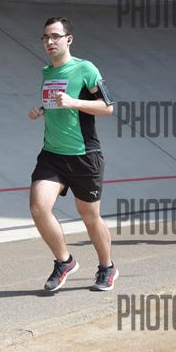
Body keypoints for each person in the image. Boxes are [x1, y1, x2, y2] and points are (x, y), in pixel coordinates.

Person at [28, 17, 118, 292]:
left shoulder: (85, 68)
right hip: (52, 154)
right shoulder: (47, 71)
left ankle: (107, 267)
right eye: (46, 37)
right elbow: (55, 103)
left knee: (89, 216)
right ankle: (64, 261)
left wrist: (74, 102)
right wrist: (42, 110)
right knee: (39, 208)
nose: (50, 41)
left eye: (55, 36)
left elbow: (108, 107)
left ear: (68, 39)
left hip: (84, 155)